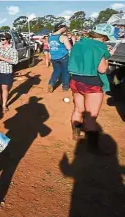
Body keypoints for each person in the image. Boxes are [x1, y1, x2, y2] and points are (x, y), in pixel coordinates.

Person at [68, 24, 116, 153]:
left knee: (78, 109)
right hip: (91, 82)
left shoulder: (79, 43)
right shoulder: (100, 46)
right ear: (103, 37)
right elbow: (102, 69)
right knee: (91, 116)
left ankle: (76, 134)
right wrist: (108, 56)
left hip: (75, 80)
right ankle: (93, 149)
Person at [48, 23, 72, 93]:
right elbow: (69, 47)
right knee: (66, 71)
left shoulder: (50, 37)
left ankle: (51, 83)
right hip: (63, 56)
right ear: (61, 28)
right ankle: (65, 87)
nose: (65, 29)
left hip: (54, 57)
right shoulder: (63, 37)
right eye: (65, 28)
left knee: (56, 70)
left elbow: (50, 48)